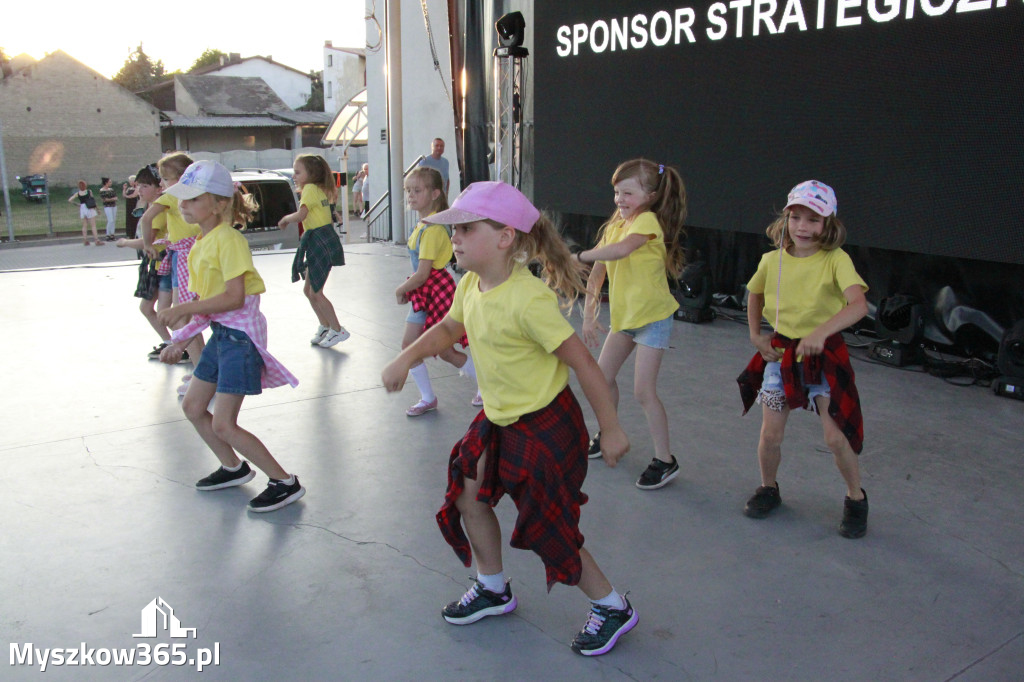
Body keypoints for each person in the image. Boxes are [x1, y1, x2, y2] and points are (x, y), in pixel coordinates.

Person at [382, 181, 639, 657]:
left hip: (544, 424)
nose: (454, 238)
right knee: (466, 492)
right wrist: (406, 358)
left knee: (546, 526)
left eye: (465, 229)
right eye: (453, 230)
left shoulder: (528, 298)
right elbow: (447, 329)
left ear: (505, 238)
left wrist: (612, 427)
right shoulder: (469, 285)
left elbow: (583, 362)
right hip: (499, 418)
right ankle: (493, 587)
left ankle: (612, 606)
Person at [157, 160, 304, 513]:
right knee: (193, 407)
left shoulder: (229, 240)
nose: (184, 205)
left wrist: (185, 313)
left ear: (220, 203)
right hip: (223, 336)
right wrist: (180, 339)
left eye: (193, 199)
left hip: (240, 340)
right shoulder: (198, 245)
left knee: (223, 423)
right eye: (183, 199)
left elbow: (233, 298)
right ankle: (233, 468)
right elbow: (207, 309)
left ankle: (285, 482)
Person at [736, 180, 870, 538]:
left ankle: (856, 498)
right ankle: (768, 488)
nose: (802, 227)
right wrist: (754, 333)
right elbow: (755, 293)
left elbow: (859, 305)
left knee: (835, 438)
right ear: (785, 219)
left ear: (829, 224)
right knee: (770, 435)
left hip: (822, 356)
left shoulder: (836, 260)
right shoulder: (771, 260)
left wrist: (821, 332)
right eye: (796, 217)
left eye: (813, 219)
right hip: (781, 355)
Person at [576, 159, 686, 490]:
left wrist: (579, 256)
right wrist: (589, 313)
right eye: (616, 193)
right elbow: (598, 274)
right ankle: (609, 431)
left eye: (627, 192)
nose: (619, 199)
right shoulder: (614, 227)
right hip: (625, 319)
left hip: (653, 318)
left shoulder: (648, 222)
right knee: (601, 378)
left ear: (651, 195)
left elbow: (621, 251)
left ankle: (665, 460)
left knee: (643, 390)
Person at [394, 167, 479, 416]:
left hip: (433, 293)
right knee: (414, 346)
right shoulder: (425, 225)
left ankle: (486, 386)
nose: (410, 195)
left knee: (445, 351)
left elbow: (423, 273)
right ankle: (428, 397)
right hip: (424, 294)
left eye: (417, 190)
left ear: (434, 194)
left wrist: (402, 288)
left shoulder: (432, 229)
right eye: (408, 190)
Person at [141, 152, 205, 394]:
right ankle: (201, 369)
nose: (162, 185)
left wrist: (148, 244)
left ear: (180, 178)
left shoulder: (173, 194)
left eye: (165, 179)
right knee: (185, 316)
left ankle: (202, 373)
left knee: (183, 317)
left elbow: (147, 219)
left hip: (185, 255)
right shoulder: (196, 194)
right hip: (191, 252)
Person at [279, 154, 350, 348]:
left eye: (297, 172)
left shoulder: (310, 189)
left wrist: (285, 219)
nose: (294, 175)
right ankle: (325, 325)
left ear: (311, 174)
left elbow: (302, 214)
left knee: (316, 292)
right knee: (309, 290)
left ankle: (337, 329)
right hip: (320, 240)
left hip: (320, 242)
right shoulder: (320, 189)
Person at [115, 163, 171, 353]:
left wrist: (125, 242)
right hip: (156, 263)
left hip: (163, 263)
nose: (139, 189)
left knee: (164, 312)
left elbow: (149, 241)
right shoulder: (150, 209)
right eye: (138, 185)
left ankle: (177, 345)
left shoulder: (157, 212)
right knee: (151, 309)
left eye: (145, 186)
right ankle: (172, 343)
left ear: (159, 188)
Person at [69, 180, 102, 246]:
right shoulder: (89, 191)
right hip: (89, 207)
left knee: (84, 225)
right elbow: (93, 200)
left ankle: (85, 240)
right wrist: (97, 209)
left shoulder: (78, 193)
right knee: (93, 225)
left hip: (82, 208)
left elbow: (70, 200)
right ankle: (96, 240)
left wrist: (77, 204)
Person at [123, 175, 140, 239]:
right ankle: (130, 234)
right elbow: (124, 195)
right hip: (129, 205)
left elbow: (134, 195)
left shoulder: (137, 188)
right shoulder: (129, 188)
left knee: (134, 219)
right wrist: (124, 189)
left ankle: (134, 233)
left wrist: (127, 196)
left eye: (131, 181)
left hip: (134, 205)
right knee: (129, 219)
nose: (130, 182)